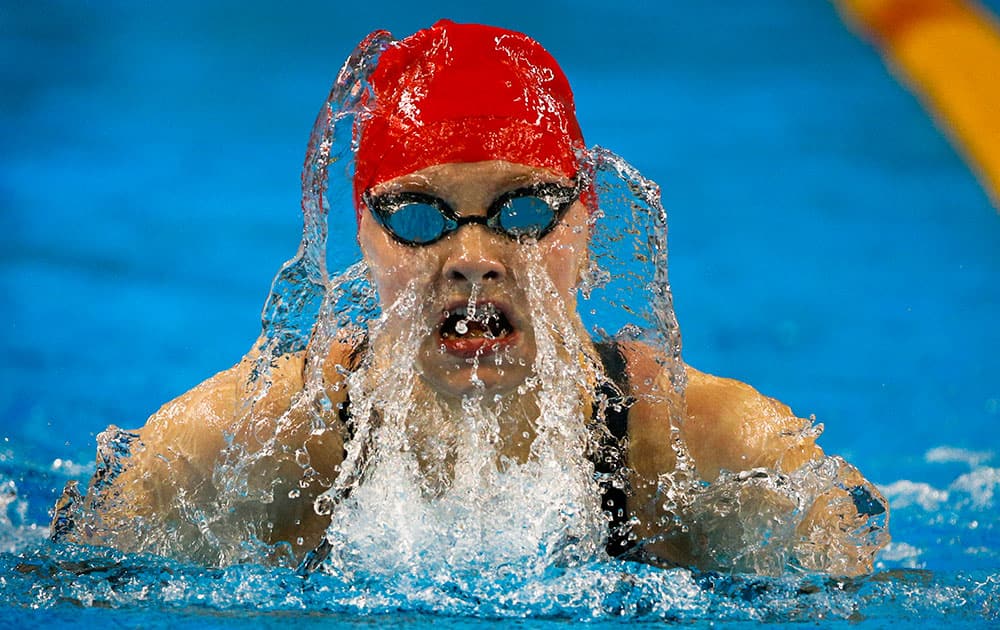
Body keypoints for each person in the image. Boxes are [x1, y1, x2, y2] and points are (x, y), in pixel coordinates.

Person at [52, 20, 889, 576]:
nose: (475, 258)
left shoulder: (708, 453)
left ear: (588, 219)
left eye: (525, 209)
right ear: (364, 234)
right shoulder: (241, 449)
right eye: (419, 216)